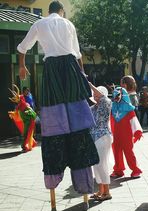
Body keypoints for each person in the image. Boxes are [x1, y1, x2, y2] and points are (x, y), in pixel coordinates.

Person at [17, 1, 99, 199]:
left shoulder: (40, 23)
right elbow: (78, 54)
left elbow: (22, 48)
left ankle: (56, 136)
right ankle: (82, 178)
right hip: (70, 67)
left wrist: (21, 66)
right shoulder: (68, 24)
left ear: (48, 11)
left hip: (52, 67)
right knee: (76, 108)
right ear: (61, 11)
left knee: (53, 106)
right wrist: (82, 76)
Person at [110, 87, 143, 178]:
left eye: (118, 95)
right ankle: (118, 170)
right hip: (116, 135)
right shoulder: (113, 108)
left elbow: (134, 121)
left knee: (129, 152)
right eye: (114, 96)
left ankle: (135, 169)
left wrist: (137, 132)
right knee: (116, 152)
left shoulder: (129, 110)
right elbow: (110, 122)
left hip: (126, 135)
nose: (116, 98)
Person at [89, 83, 112, 201]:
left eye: (97, 95)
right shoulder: (93, 108)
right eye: (94, 95)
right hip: (94, 138)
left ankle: (107, 192)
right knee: (96, 165)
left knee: (101, 164)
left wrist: (89, 84)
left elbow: (102, 97)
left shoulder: (106, 103)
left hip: (103, 136)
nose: (95, 97)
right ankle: (100, 190)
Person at [8, 85, 37, 152]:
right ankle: (25, 145)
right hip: (26, 119)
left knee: (28, 132)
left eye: (28, 90)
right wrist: (13, 114)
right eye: (27, 90)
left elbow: (30, 106)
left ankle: (26, 145)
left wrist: (29, 109)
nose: (28, 92)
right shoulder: (21, 102)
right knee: (26, 133)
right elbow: (17, 109)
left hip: (29, 117)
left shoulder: (26, 99)